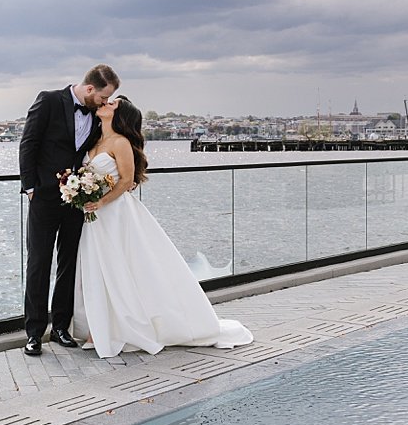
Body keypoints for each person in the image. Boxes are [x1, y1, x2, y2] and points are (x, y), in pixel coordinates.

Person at [73, 96, 252, 356]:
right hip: (95, 218)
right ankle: (100, 325)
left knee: (122, 266)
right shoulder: (95, 140)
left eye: (112, 104)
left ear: (120, 115)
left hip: (116, 214)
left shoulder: (121, 142)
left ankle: (122, 326)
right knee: (99, 268)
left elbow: (125, 180)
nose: (105, 104)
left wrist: (101, 202)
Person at [19, 64, 120, 356]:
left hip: (77, 200)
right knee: (39, 263)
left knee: (69, 263)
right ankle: (34, 333)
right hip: (44, 198)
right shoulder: (49, 100)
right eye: (103, 98)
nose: (104, 103)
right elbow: (29, 143)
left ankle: (61, 327)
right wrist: (30, 187)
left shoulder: (97, 115)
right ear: (90, 89)